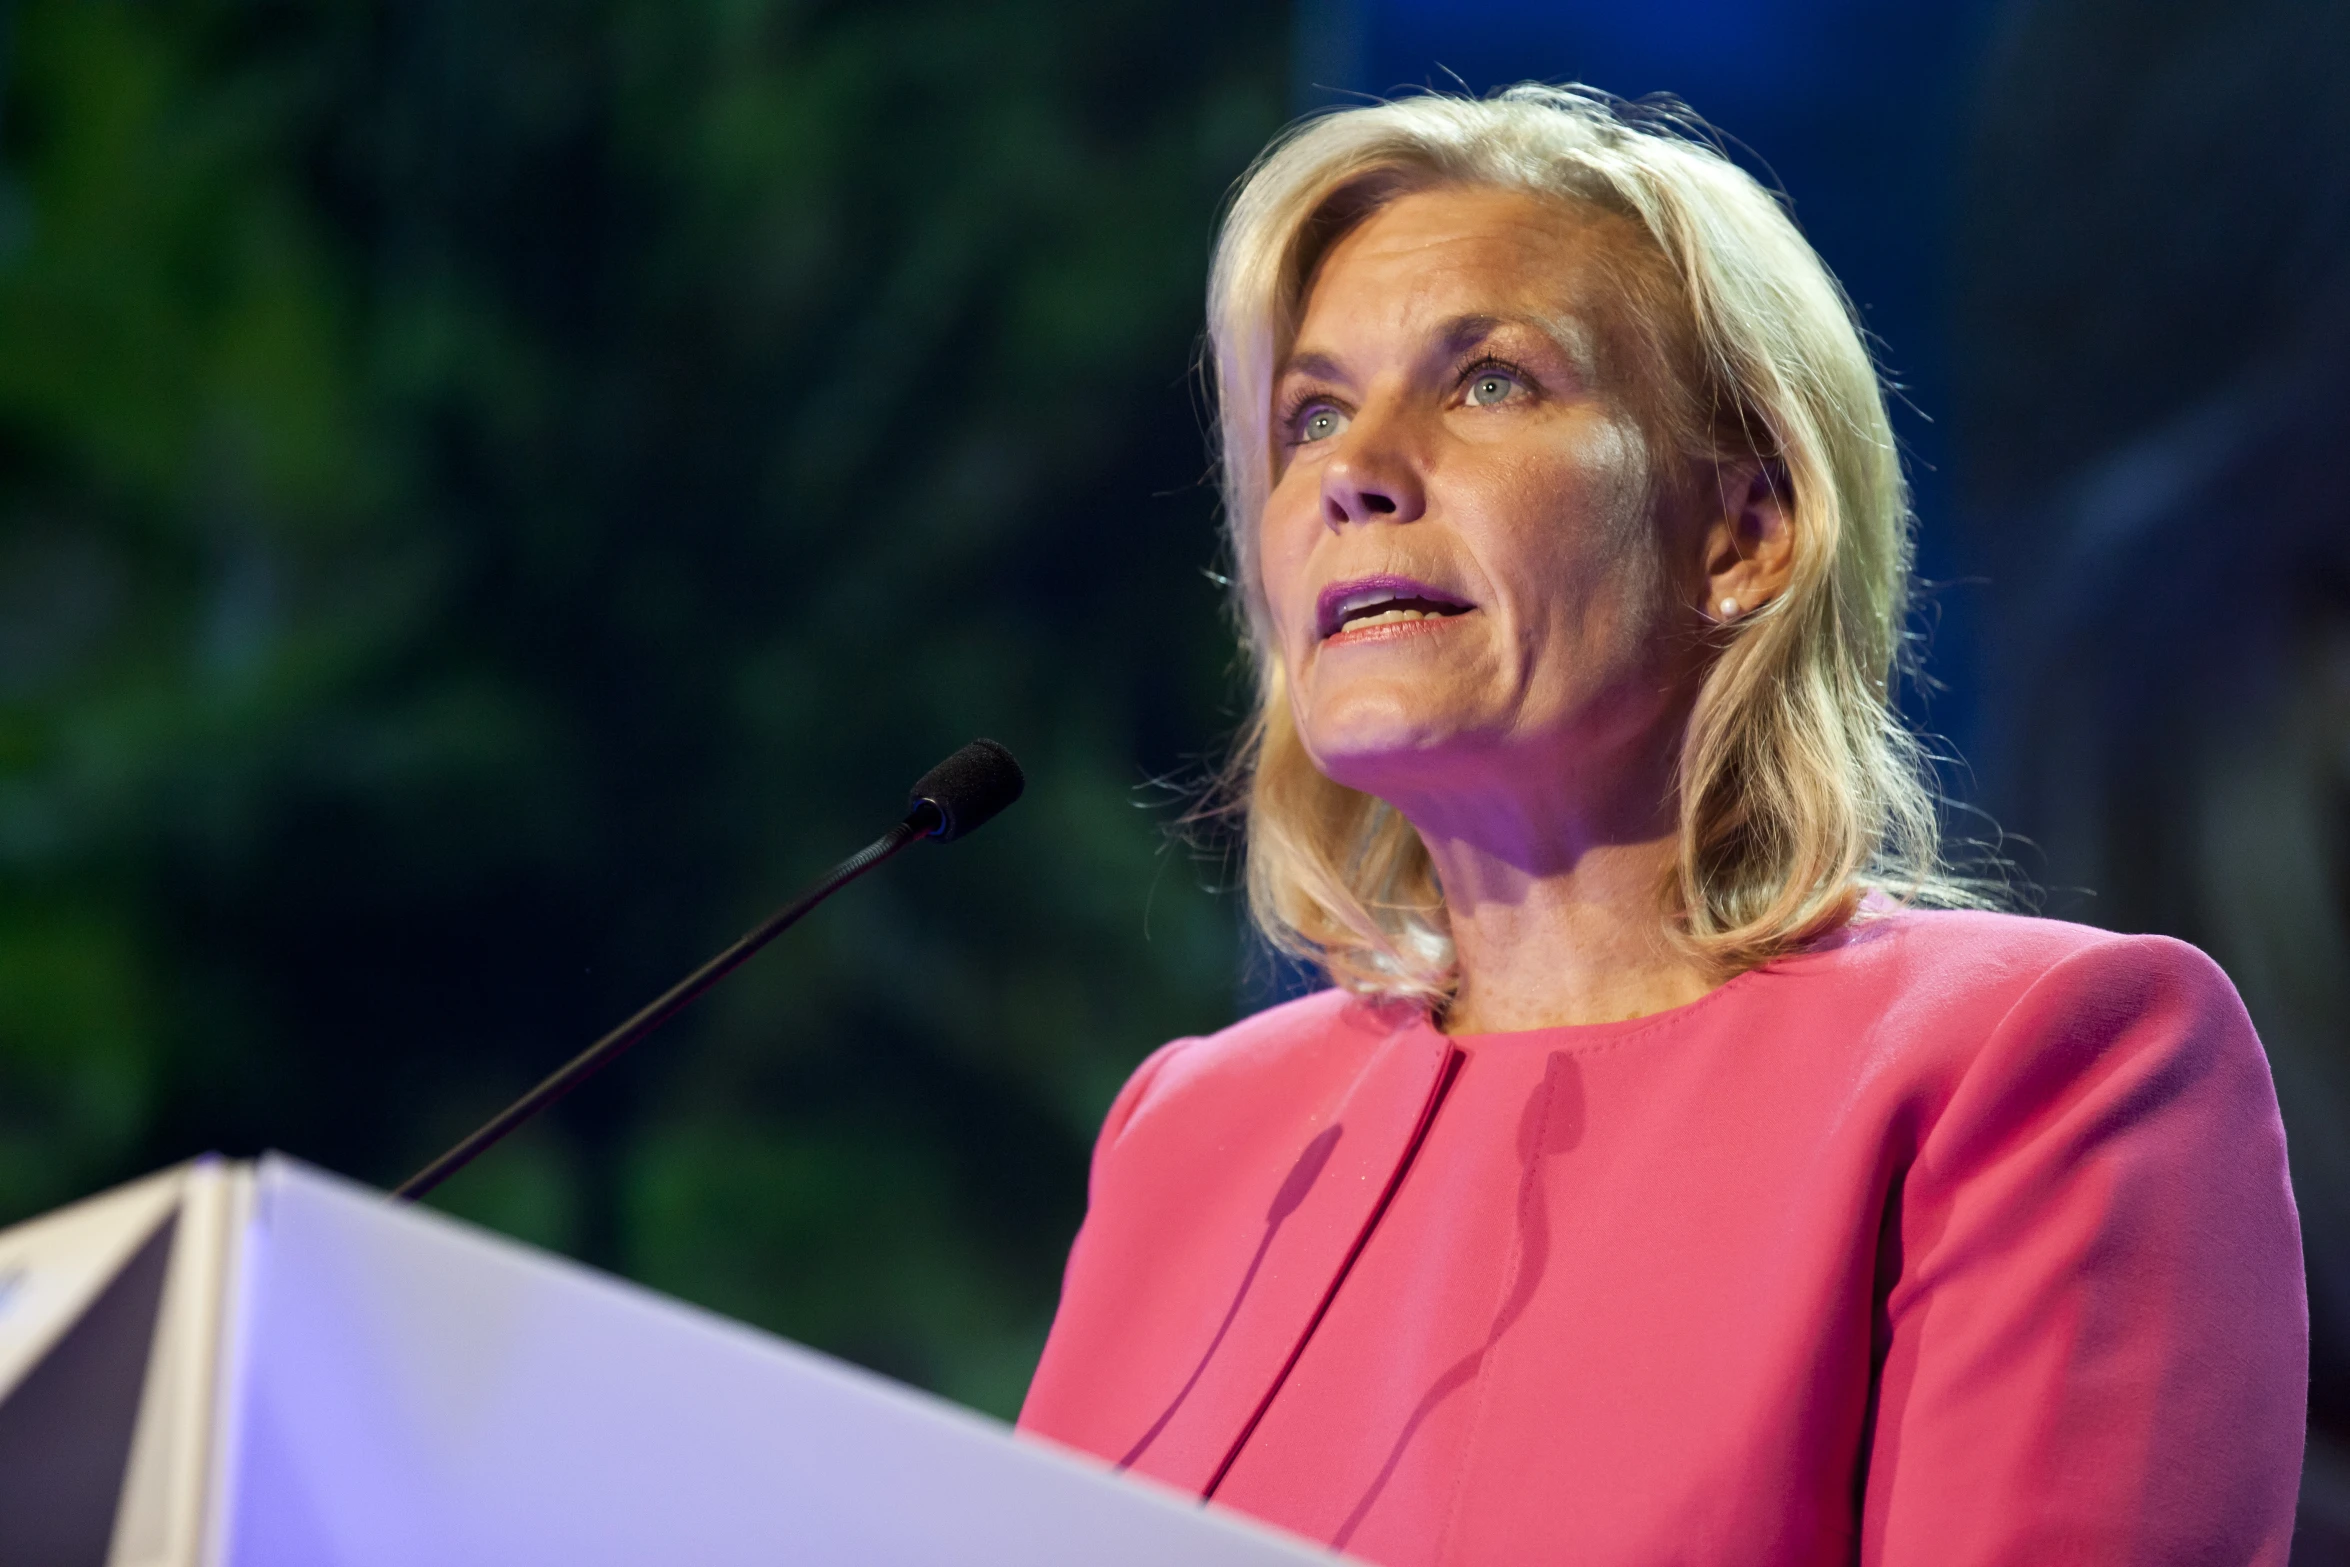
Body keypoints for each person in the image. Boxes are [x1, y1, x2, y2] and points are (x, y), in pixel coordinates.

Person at [1015, 86, 2307, 1564]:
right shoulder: (1196, 1131)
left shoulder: (2031, 1062)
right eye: (1308, 413)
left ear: (1743, 533)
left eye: (1488, 380)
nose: (1352, 471)